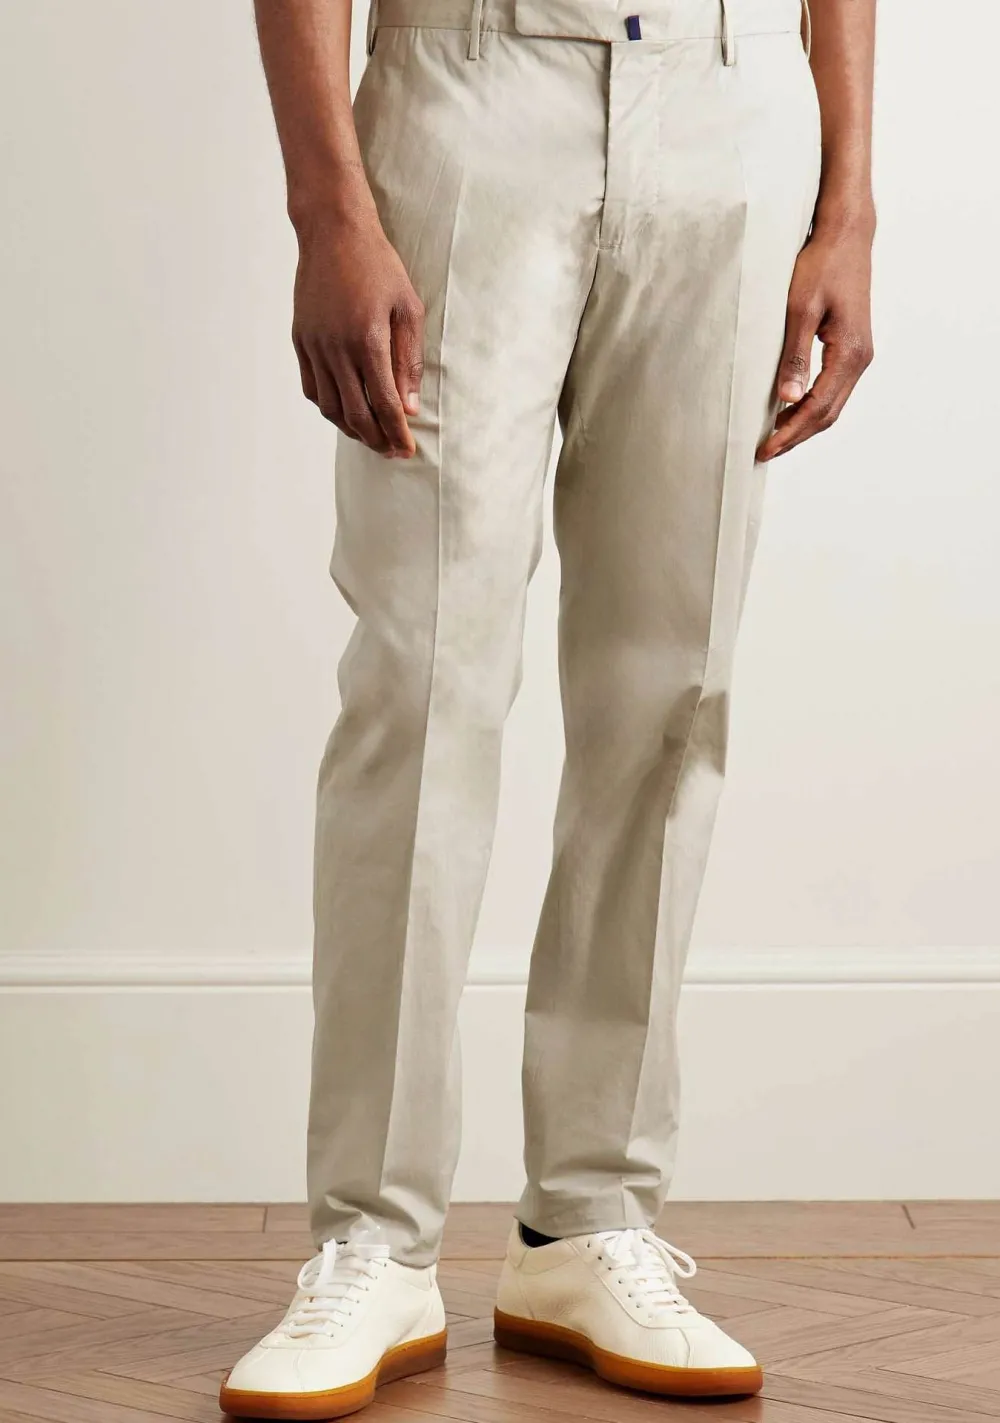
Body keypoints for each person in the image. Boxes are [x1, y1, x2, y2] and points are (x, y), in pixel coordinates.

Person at [221, 0, 875, 1415]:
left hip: (728, 100)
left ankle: (589, 1218)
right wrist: (328, 208)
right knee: (422, 680)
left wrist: (850, 203)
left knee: (672, 691)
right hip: (466, 89)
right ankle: (373, 1241)